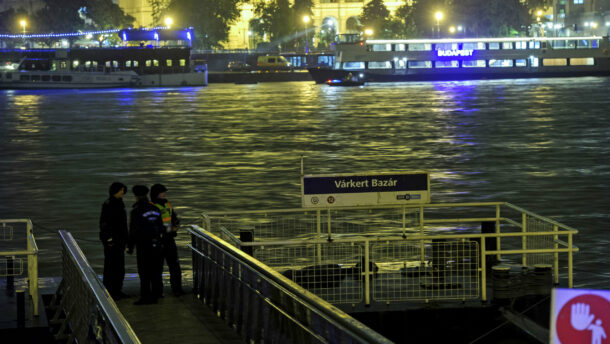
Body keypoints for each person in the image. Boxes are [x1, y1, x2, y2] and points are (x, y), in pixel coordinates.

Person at [127, 185, 165, 305]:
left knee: (144, 272)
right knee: (155, 270)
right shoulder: (155, 209)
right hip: (157, 244)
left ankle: (145, 297)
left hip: (143, 245)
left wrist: (130, 246)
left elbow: (133, 230)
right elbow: (161, 227)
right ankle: (156, 295)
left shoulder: (136, 210)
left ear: (136, 196)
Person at [150, 183, 184, 296]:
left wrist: (176, 223)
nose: (164, 194)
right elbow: (155, 226)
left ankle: (177, 289)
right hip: (159, 240)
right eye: (162, 192)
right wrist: (171, 228)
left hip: (169, 239)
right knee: (157, 268)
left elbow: (172, 216)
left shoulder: (167, 204)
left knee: (174, 265)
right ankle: (157, 291)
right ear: (156, 193)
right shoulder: (152, 206)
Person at [99, 182, 129, 300]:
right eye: (121, 190)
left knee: (119, 266)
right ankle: (111, 290)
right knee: (111, 266)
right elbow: (105, 224)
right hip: (113, 242)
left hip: (119, 240)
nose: (123, 192)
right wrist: (109, 239)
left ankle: (117, 290)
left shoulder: (118, 203)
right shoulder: (110, 204)